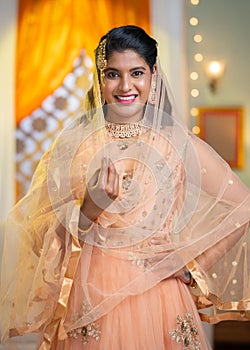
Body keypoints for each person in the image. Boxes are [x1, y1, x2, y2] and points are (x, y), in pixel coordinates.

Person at [1, 25, 249, 350]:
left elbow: (243, 207)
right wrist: (89, 209)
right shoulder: (73, 146)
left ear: (153, 74)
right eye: (113, 74)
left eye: (137, 73)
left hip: (159, 297)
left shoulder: (177, 143)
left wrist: (192, 268)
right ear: (99, 78)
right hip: (90, 299)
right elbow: (38, 235)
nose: (125, 86)